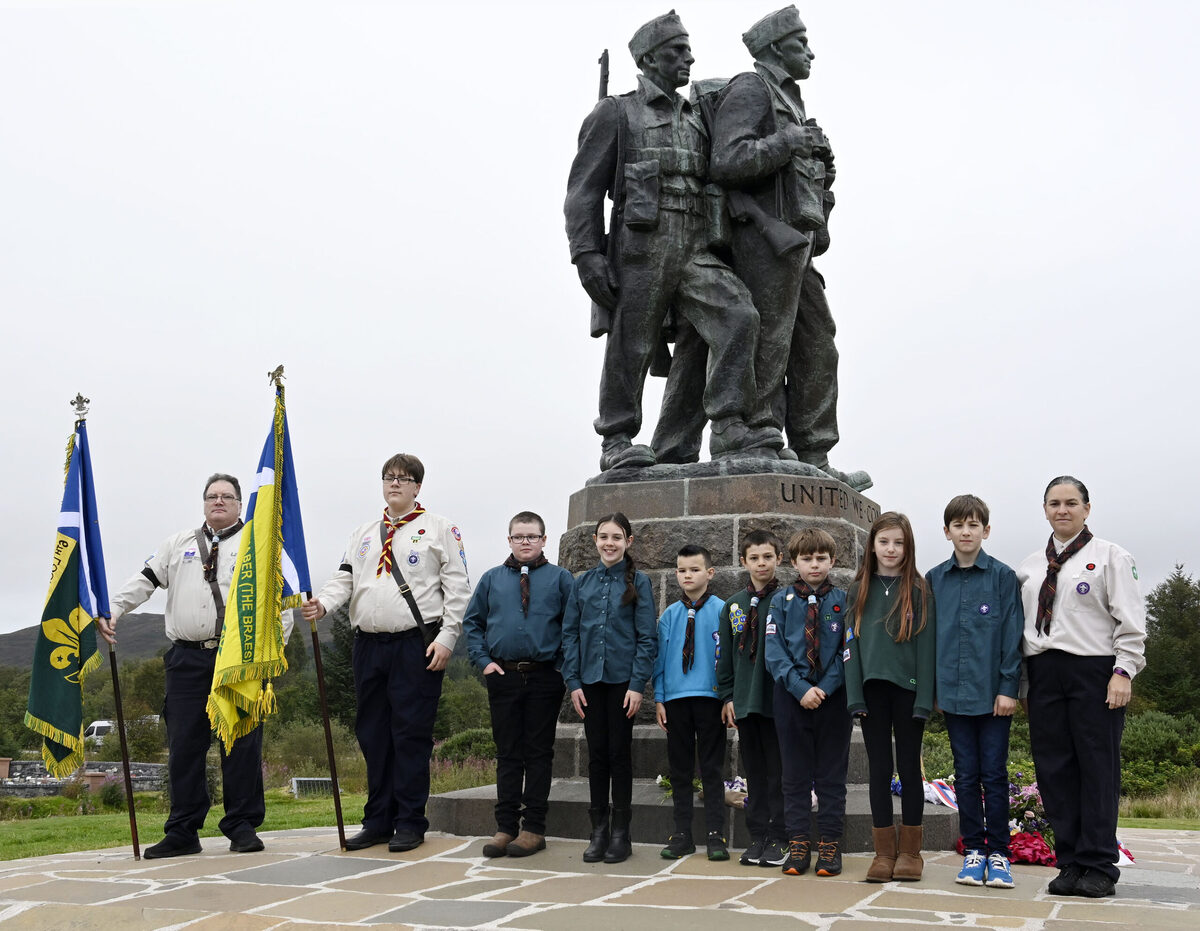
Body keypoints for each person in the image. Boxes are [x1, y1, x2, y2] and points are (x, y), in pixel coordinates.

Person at [564, 11, 771, 470]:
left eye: (688, 49)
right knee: (631, 343)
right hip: (642, 246)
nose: (689, 58)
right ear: (649, 58)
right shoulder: (616, 112)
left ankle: (730, 422)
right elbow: (583, 192)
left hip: (696, 242)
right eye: (678, 50)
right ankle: (616, 438)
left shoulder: (699, 115)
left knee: (738, 315)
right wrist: (586, 254)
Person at [703, 5, 868, 490]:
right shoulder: (751, 88)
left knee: (819, 341)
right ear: (776, 48)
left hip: (796, 242)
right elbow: (726, 160)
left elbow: (809, 177)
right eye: (801, 44)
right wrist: (788, 142)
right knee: (769, 337)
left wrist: (822, 171)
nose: (810, 52)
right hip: (760, 237)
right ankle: (755, 431)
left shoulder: (791, 102)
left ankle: (814, 448)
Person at [301, 453, 469, 853]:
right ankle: (378, 820)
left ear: (417, 487)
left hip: (415, 644)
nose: (394, 483)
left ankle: (410, 821)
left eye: (404, 478)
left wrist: (447, 638)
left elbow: (458, 589)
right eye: (388, 477)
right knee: (373, 734)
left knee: (410, 735)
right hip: (368, 645)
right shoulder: (364, 532)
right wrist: (323, 605)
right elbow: (345, 578)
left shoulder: (440, 529)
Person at [102, 473, 268, 859]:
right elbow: (144, 581)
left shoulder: (259, 545)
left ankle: (241, 825)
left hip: (239, 658)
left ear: (241, 504)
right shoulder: (178, 544)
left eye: (227, 496)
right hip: (186, 657)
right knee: (184, 745)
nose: (219, 501)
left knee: (240, 743)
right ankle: (182, 830)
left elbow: (280, 601)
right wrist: (114, 609)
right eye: (212, 496)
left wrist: (269, 656)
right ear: (204, 503)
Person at [1017, 476, 1146, 899]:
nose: (1063, 510)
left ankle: (1099, 864)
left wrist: (1123, 671)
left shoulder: (1111, 556)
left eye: (1072, 502)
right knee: (1054, 770)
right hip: (1044, 673)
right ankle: (1070, 861)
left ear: (1087, 509)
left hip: (1094, 671)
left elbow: (1130, 622)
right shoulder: (1032, 565)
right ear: (1045, 509)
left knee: (1096, 769)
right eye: (1054, 503)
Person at [463, 511, 574, 859]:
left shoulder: (561, 579)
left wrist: (560, 668)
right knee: (508, 753)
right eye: (518, 536)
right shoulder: (492, 579)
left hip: (545, 677)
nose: (525, 541)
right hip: (503, 677)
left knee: (539, 753)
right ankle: (505, 827)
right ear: (509, 540)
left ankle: (534, 829)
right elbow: (472, 623)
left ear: (544, 539)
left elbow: (573, 627)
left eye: (532, 536)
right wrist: (484, 663)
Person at [926, 495, 1023, 889]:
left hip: (993, 697)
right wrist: (931, 691)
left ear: (986, 530)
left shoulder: (1002, 577)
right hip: (952, 696)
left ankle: (999, 853)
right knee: (965, 776)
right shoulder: (933, 579)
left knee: (994, 775)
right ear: (946, 531)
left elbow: (1012, 637)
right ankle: (974, 852)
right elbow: (926, 638)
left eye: (973, 525)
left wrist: (1008, 688)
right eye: (958, 525)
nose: (966, 532)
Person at [843, 512, 935, 882]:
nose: (891, 549)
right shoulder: (858, 588)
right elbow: (849, 645)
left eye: (898, 542)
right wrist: (854, 696)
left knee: (909, 769)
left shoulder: (919, 588)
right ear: (873, 545)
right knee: (879, 772)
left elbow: (927, 646)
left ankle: (911, 852)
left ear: (907, 545)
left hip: (909, 692)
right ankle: (883, 853)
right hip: (870, 693)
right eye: (884, 542)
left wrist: (925, 698)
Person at [561, 512, 657, 863]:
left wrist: (636, 685)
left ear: (628, 541)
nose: (609, 543)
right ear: (595, 541)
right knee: (597, 755)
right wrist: (573, 681)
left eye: (616, 537)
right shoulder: (582, 583)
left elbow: (647, 637)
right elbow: (570, 635)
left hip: (622, 684)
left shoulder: (639, 582)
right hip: (589, 683)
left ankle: (621, 832)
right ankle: (598, 829)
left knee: (619, 754)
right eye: (603, 536)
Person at [765, 528, 852, 877]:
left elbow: (848, 650)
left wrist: (826, 687)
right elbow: (775, 652)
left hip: (833, 699)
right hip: (791, 697)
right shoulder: (780, 601)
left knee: (832, 775)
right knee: (795, 775)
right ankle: (798, 842)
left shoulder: (844, 601)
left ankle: (830, 844)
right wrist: (800, 687)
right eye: (807, 558)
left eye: (821, 558)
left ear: (832, 560)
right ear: (794, 561)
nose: (814, 565)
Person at [653, 544, 729, 861]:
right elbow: (659, 660)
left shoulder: (724, 610)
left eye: (695, 569)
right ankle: (682, 833)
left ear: (709, 573)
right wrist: (659, 698)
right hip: (676, 701)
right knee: (680, 770)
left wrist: (727, 696)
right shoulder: (670, 615)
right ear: (676, 574)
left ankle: (715, 834)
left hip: (710, 700)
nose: (688, 575)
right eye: (682, 570)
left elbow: (728, 658)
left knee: (712, 769)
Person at [716, 530, 787, 868]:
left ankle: (780, 837)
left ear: (779, 559)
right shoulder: (733, 606)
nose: (761, 563)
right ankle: (757, 836)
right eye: (754, 558)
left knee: (779, 772)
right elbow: (726, 657)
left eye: (767, 557)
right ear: (743, 561)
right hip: (745, 701)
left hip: (777, 701)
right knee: (755, 773)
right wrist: (728, 696)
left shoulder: (787, 600)